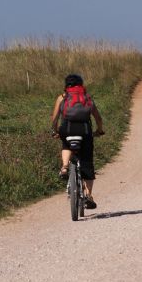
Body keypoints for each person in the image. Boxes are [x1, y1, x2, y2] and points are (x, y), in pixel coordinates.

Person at [51, 74, 104, 210]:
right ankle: (88, 195)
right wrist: (99, 130)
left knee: (66, 144)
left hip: (67, 129)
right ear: (81, 84)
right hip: (85, 131)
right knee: (87, 161)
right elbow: (98, 118)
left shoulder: (62, 98)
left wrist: (55, 131)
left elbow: (55, 118)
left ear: (66, 85)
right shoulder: (87, 97)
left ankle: (64, 167)